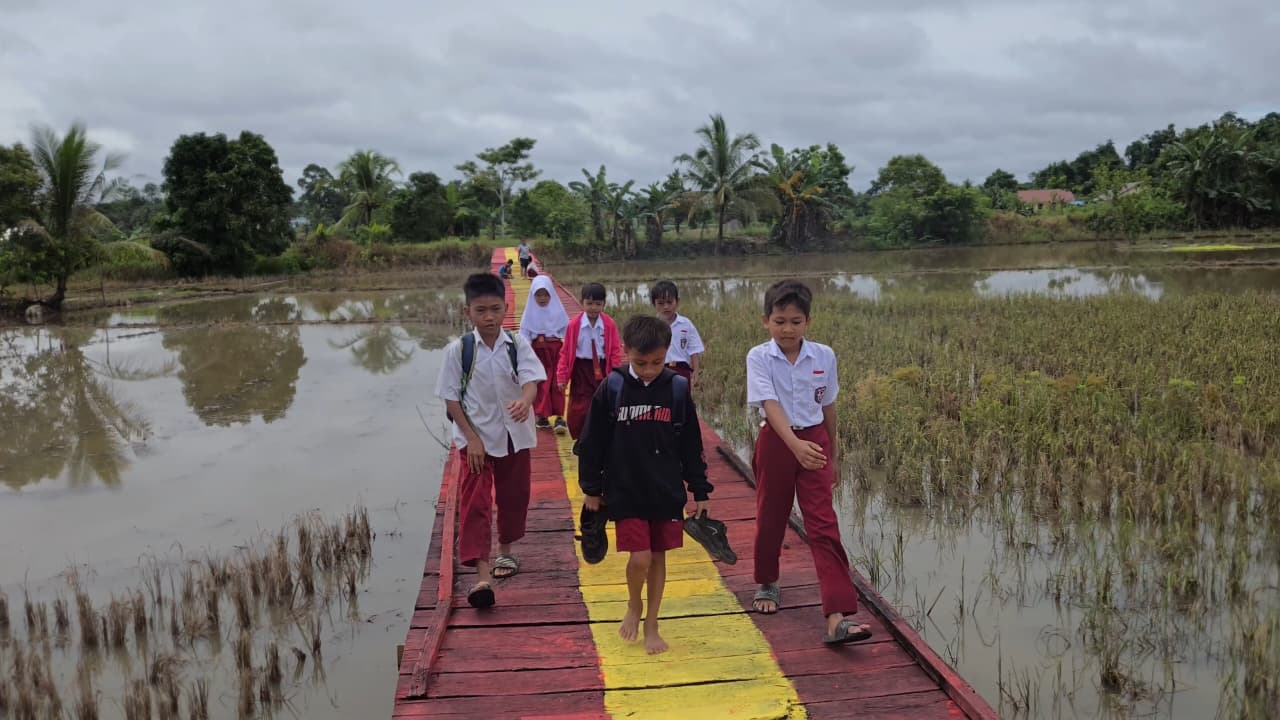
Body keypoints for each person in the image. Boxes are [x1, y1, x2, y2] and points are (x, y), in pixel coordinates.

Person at [746, 279, 872, 646]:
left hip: (815, 441)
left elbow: (829, 405)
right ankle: (768, 581)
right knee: (771, 516)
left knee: (823, 524)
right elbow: (769, 404)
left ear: (808, 322)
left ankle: (837, 616)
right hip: (776, 441)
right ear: (765, 321)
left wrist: (833, 454)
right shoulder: (759, 357)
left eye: (796, 321)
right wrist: (794, 446)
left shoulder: (824, 356)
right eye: (780, 320)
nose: (787, 329)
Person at [577, 315, 710, 655]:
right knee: (640, 557)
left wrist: (699, 490)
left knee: (659, 558)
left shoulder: (678, 389)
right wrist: (591, 489)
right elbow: (592, 442)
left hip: (665, 490)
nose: (649, 370)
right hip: (625, 489)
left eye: (657, 362)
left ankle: (652, 623)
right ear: (625, 352)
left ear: (668, 354)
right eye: (641, 362)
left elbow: (691, 445)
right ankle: (634, 604)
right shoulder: (613, 388)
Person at [435, 273, 546, 608]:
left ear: (505, 308)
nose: (488, 317)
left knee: (514, 496)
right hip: (476, 440)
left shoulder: (517, 344)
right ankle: (482, 575)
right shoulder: (459, 351)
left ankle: (506, 553)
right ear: (467, 311)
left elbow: (531, 380)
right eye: (480, 310)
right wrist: (472, 438)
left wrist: (526, 401)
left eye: (495, 309)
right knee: (476, 504)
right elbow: (451, 400)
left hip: (514, 436)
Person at [556, 282, 623, 440]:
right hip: (581, 369)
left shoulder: (609, 324)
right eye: (589, 303)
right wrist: (562, 376)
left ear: (604, 304)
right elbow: (566, 352)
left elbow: (614, 351)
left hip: (602, 368)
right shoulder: (574, 325)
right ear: (582, 303)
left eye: (597, 304)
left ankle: (602, 435)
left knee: (602, 402)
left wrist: (615, 374)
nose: (593, 308)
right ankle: (581, 437)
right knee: (580, 406)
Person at [519, 274, 569, 434]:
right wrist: (525, 351)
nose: (542, 298)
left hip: (555, 350)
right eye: (538, 295)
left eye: (545, 294)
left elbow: (567, 330)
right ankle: (542, 416)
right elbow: (524, 333)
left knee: (557, 382)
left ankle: (560, 416)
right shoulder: (530, 312)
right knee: (540, 383)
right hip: (537, 352)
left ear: (551, 294)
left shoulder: (557, 311)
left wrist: (569, 348)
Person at [650, 280, 704, 388]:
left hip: (682, 370)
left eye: (669, 302)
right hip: (659, 371)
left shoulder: (686, 324)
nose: (666, 307)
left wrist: (696, 372)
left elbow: (694, 351)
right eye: (661, 303)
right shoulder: (651, 326)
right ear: (654, 304)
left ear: (677, 301)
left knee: (682, 401)